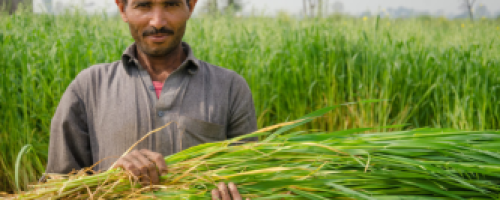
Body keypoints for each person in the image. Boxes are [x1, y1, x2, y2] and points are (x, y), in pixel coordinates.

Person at [44, 0, 257, 199]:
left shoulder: (229, 88)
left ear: (190, 6)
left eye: (171, 4)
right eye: (143, 5)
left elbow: (253, 181)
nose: (157, 21)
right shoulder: (88, 87)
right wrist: (110, 180)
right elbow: (57, 188)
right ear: (122, 8)